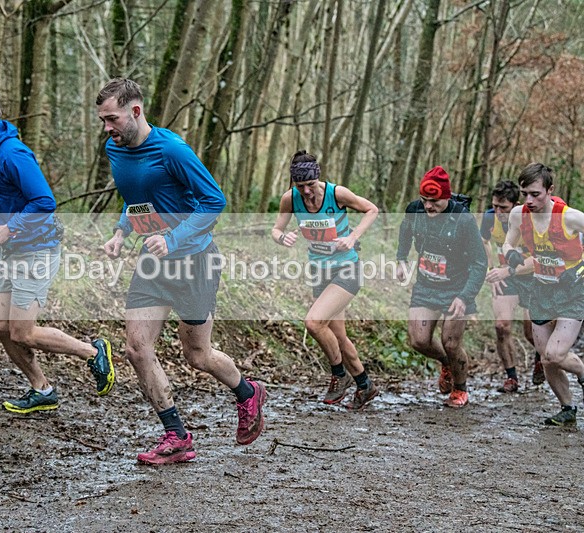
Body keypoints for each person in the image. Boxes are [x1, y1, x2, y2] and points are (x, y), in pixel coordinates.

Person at [97, 78, 265, 465]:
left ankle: (247, 392)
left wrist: (173, 239)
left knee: (198, 355)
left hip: (195, 263)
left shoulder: (173, 150)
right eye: (103, 120)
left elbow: (214, 201)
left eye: (112, 118)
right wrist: (121, 233)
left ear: (135, 112)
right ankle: (176, 436)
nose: (107, 128)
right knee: (137, 349)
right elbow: (138, 200)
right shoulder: (115, 148)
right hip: (153, 264)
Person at [0, 86, 114, 413]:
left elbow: (44, 201)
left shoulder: (13, 154)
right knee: (0, 326)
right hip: (10, 250)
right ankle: (41, 389)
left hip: (36, 250)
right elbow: (5, 195)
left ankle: (92, 352)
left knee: (23, 332)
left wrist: (9, 227)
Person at [271, 150, 379, 409]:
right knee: (338, 337)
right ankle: (365, 386)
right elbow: (276, 229)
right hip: (319, 272)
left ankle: (339, 375)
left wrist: (352, 238)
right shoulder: (291, 199)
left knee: (314, 322)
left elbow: (371, 210)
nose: (306, 192)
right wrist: (281, 237)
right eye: (300, 186)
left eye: (310, 185)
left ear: (318, 179)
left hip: (346, 270)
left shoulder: (337, 193)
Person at [396, 166, 487, 407]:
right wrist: (401, 258)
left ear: (446, 197)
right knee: (419, 340)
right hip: (426, 286)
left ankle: (460, 389)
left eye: (434, 202)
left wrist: (465, 297)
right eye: (425, 200)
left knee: (451, 343)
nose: (428, 206)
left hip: (457, 288)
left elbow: (480, 263)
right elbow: (405, 230)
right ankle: (447, 363)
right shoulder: (414, 210)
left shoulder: (463, 220)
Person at [502, 163, 584, 426]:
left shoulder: (570, 217)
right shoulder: (518, 214)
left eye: (536, 194)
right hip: (541, 290)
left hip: (572, 291)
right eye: (525, 193)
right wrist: (511, 255)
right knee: (546, 359)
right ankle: (567, 408)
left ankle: (582, 372)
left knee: (555, 355)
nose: (529, 200)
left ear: (550, 190)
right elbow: (508, 242)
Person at [480, 180, 542, 392]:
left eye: (503, 208)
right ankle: (511, 378)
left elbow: (538, 258)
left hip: (533, 277)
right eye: (495, 206)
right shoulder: (489, 217)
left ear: (516, 205)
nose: (497, 212)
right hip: (506, 275)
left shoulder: (531, 220)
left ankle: (542, 358)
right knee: (501, 326)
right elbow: (484, 241)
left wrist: (508, 270)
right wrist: (491, 269)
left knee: (531, 333)